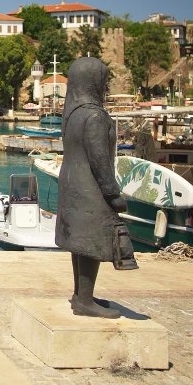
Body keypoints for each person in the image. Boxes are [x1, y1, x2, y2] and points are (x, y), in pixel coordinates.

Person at [55, 57, 138, 319]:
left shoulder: (72, 115)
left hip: (70, 183)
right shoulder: (95, 116)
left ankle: (82, 294)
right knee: (90, 241)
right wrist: (113, 193)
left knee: (79, 242)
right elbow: (100, 159)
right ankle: (85, 300)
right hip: (89, 187)